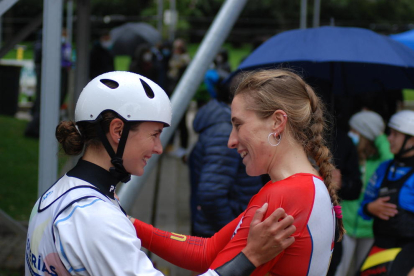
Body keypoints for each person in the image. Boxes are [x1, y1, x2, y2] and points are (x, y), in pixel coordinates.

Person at [24, 71, 296, 276]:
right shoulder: (93, 216)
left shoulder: (60, 193)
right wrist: (249, 258)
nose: (157, 148)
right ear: (118, 131)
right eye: (154, 135)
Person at [131, 69, 343, 275]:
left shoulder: (285, 196)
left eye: (238, 125)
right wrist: (129, 224)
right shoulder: (307, 185)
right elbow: (207, 251)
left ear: (277, 122)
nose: (231, 141)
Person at [188, 81, 263, 238]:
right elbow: (211, 193)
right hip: (218, 234)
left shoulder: (222, 124)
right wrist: (234, 233)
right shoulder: (224, 133)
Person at [334, 111, 393, 276]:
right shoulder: (350, 159)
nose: (351, 134)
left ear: (366, 135)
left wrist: (378, 135)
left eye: (355, 131)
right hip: (345, 226)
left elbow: (390, 157)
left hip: (369, 229)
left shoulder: (380, 162)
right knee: (340, 270)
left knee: (364, 271)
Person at [357, 110, 414, 276]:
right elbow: (364, 206)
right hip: (381, 247)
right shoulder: (384, 168)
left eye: (395, 134)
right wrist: (370, 208)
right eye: (390, 133)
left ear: (411, 140)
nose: (389, 138)